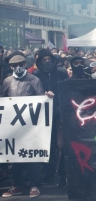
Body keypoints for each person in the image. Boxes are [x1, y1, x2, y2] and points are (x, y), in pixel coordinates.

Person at [1, 52, 54, 198]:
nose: (18, 67)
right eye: (15, 65)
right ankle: (16, 185)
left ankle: (34, 184)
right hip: (13, 126)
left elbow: (40, 99)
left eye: (20, 64)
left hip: (31, 125)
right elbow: (2, 99)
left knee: (31, 155)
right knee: (15, 156)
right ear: (11, 66)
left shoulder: (34, 79)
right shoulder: (7, 81)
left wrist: (47, 97)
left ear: (25, 65)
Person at [33, 49, 69, 185]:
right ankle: (48, 172)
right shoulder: (36, 74)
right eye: (44, 60)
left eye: (49, 59)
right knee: (47, 144)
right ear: (39, 61)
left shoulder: (60, 72)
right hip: (43, 115)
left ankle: (61, 175)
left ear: (53, 60)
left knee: (60, 145)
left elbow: (66, 89)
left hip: (59, 112)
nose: (47, 62)